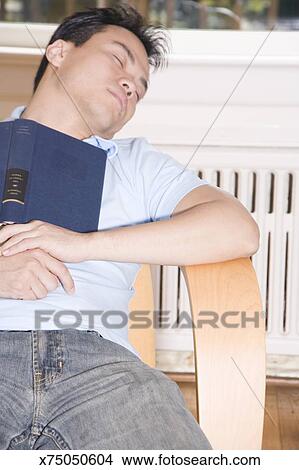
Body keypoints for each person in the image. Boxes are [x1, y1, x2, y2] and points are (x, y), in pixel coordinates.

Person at [0, 4, 259, 450]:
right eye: (119, 60)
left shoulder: (136, 164)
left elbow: (237, 229)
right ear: (59, 52)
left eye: (140, 88)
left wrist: (83, 245)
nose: (129, 85)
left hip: (104, 373)